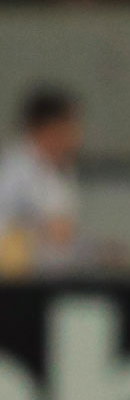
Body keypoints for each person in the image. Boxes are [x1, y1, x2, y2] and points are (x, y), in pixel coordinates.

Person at [0, 87, 86, 277]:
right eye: (70, 126)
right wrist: (40, 231)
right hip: (17, 282)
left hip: (53, 277)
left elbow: (65, 233)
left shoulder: (60, 170)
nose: (76, 136)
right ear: (50, 128)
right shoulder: (14, 169)